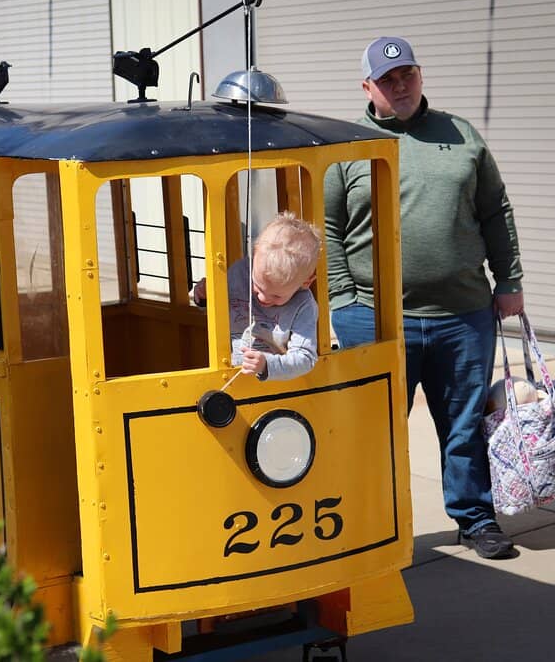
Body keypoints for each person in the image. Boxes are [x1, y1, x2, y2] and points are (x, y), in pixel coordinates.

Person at [324, 36, 524, 559]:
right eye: (387, 79)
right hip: (375, 318)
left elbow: (495, 211)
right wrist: (344, 301)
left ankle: (476, 519)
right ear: (367, 87)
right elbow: (327, 228)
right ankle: (370, 529)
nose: (400, 85)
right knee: (375, 432)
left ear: (420, 75)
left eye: (407, 74)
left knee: (464, 426)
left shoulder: (461, 135)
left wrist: (509, 281)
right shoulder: (345, 146)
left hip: (463, 314)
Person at [195, 212, 320, 381]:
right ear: (253, 258)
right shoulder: (239, 273)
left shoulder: (304, 305)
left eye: (276, 296)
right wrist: (205, 297)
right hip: (226, 374)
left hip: (271, 385)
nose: (262, 298)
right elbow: (219, 309)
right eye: (257, 287)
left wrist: (266, 365)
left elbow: (305, 358)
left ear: (306, 282)